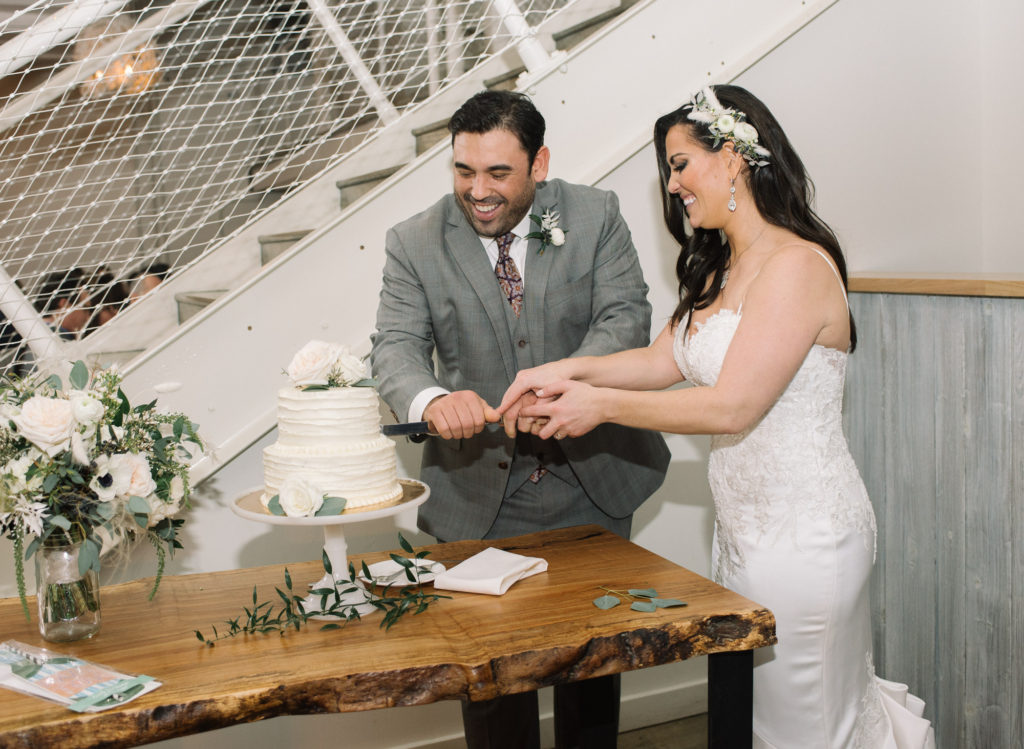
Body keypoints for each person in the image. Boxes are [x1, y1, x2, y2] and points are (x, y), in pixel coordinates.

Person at [498, 85, 935, 747]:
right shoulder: (722, 268)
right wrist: (555, 373)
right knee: (753, 718)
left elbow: (734, 406)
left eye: (679, 164)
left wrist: (601, 408)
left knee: (804, 723)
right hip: (743, 536)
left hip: (807, 539)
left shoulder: (796, 267)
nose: (671, 184)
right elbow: (657, 360)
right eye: (667, 170)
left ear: (732, 157)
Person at [370, 90, 670, 749]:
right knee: (496, 692)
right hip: (480, 498)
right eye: (462, 171)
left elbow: (625, 317)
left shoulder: (596, 214)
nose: (477, 191)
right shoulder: (414, 242)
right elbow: (394, 346)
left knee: (593, 673)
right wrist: (428, 401)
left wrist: (562, 381)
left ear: (540, 164)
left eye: (498, 173)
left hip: (592, 486)